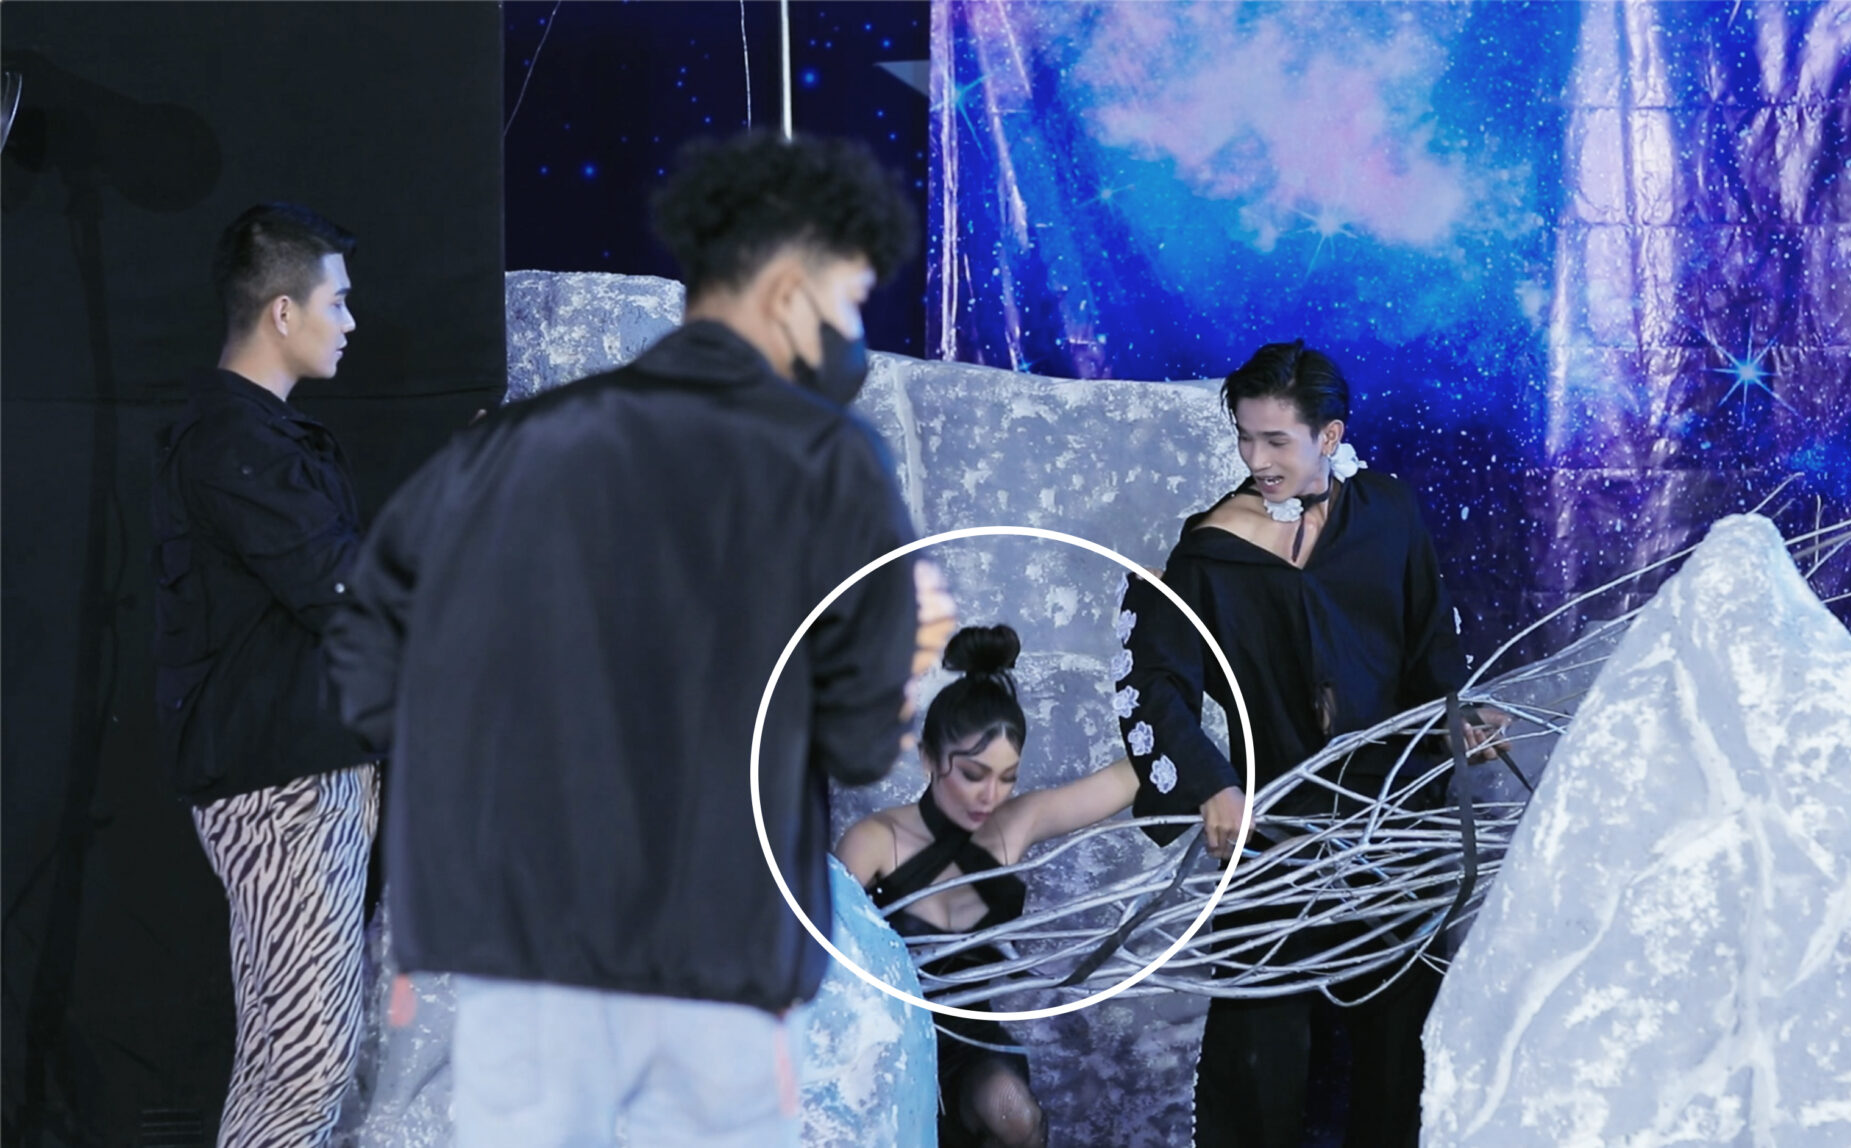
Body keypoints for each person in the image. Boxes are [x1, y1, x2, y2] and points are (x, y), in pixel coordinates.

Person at [324, 131, 934, 1148]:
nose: (851, 329)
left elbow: (363, 666)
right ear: (790, 290)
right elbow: (864, 739)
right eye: (848, 296)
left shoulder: (512, 445)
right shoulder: (830, 462)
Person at [1111, 340, 1508, 1148]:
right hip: (1275, 835)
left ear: (1329, 436)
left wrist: (1455, 720)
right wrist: (1213, 783)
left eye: (1275, 440)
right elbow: (1152, 681)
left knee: (1400, 1054)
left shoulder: (1389, 514)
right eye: (1244, 438)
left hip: (1391, 826)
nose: (1255, 459)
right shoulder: (1211, 549)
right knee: (1258, 1058)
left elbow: (1429, 648)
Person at [150, 202, 377, 1146]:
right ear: (283, 311)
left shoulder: (260, 439)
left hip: (307, 772)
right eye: (338, 301)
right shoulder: (233, 443)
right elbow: (344, 591)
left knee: (314, 1059)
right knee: (301, 1063)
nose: (351, 322)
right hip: (280, 789)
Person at [835, 625, 1141, 1148]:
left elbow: (1135, 774)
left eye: (1007, 777)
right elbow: (824, 966)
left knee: (1013, 1114)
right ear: (929, 758)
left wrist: (1173, 684)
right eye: (973, 774)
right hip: (879, 1044)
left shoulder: (1015, 824)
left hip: (970, 1045)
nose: (990, 796)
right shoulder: (873, 842)